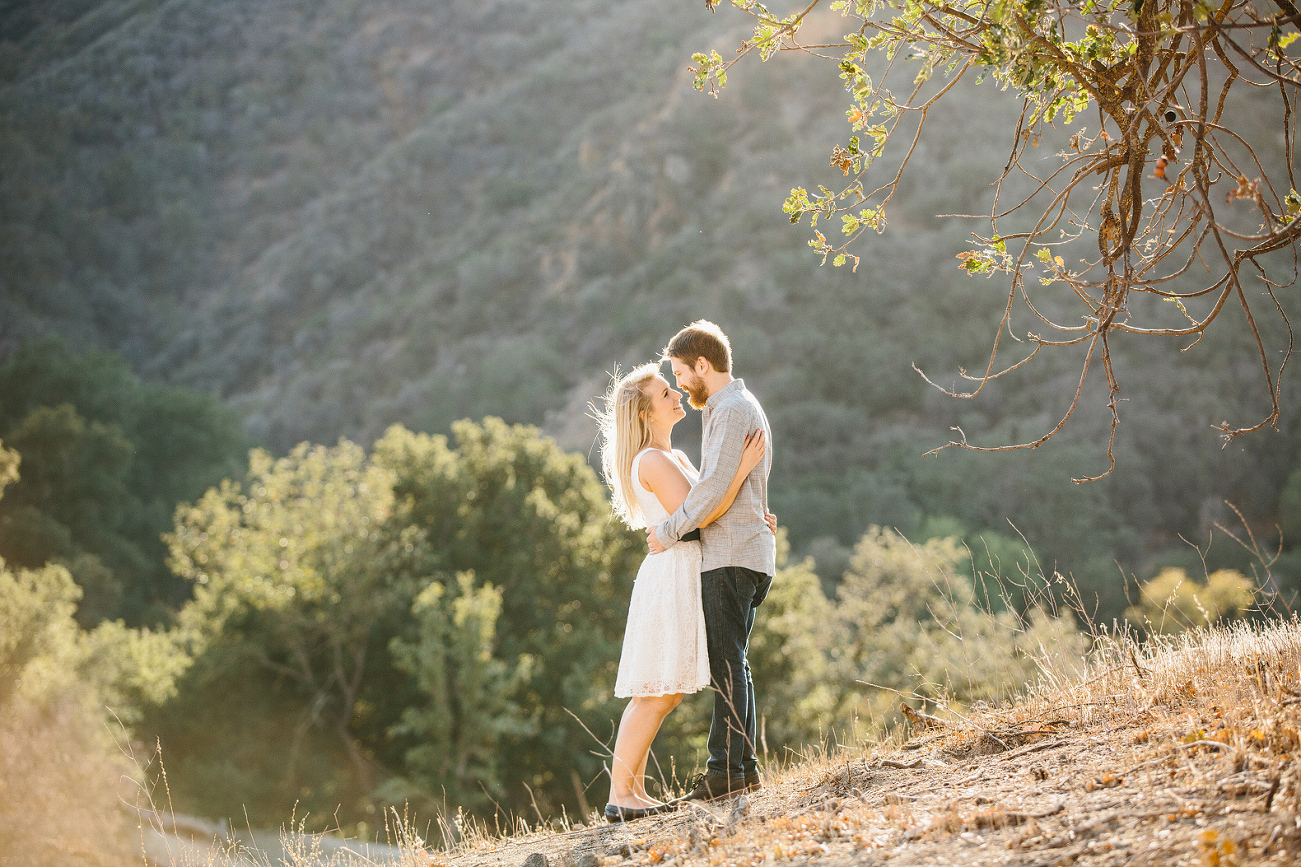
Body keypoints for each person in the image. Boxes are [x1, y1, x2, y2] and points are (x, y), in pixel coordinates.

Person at [595, 361, 774, 823]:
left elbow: (707, 506)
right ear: (644, 414)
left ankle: (629, 793)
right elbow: (702, 514)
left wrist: (752, 516)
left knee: (666, 692)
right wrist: (743, 471)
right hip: (671, 575)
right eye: (664, 395)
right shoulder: (652, 460)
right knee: (654, 691)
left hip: (683, 571)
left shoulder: (671, 455)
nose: (677, 394)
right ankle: (620, 795)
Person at [647, 320, 775, 803]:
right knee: (735, 665)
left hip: (730, 556)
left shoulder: (730, 410)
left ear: (703, 365)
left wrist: (665, 531)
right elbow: (727, 485)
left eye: (681, 373)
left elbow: (712, 492)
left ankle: (723, 773)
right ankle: (743, 771)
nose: (680, 384)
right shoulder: (739, 406)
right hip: (748, 551)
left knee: (727, 666)